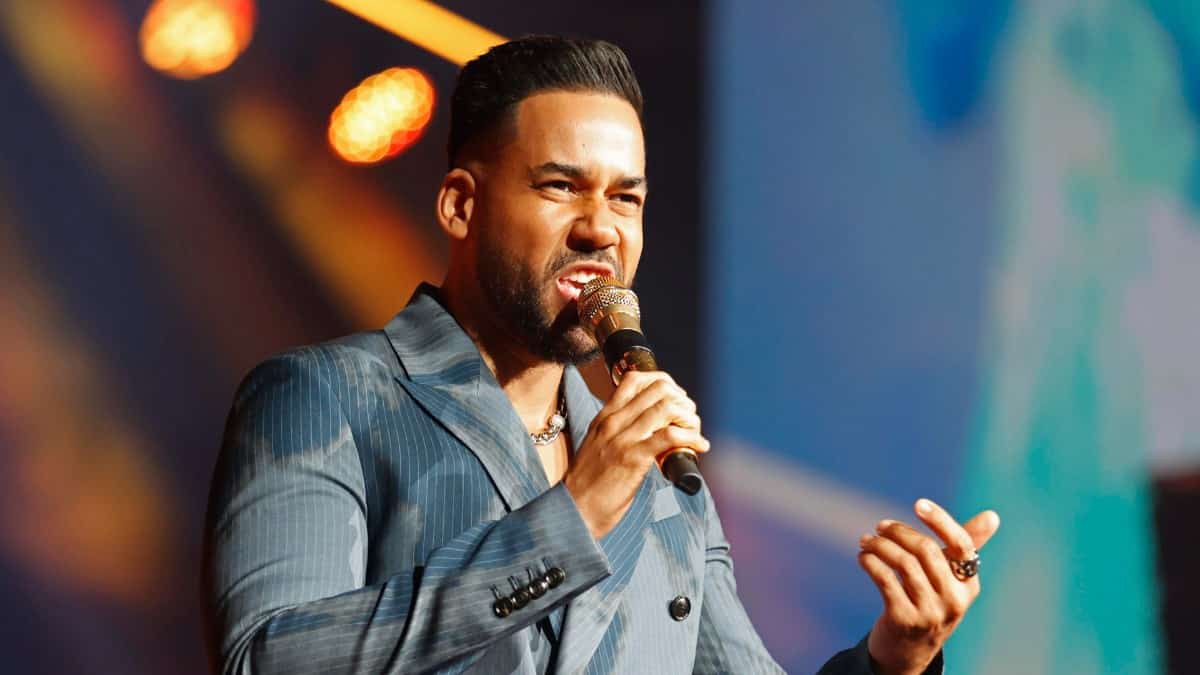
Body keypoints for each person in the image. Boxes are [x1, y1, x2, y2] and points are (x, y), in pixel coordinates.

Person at [202, 35, 1000, 674]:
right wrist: (572, 518)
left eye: (626, 197)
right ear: (459, 204)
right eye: (560, 186)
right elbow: (267, 657)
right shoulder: (326, 395)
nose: (600, 227)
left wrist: (894, 658)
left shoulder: (663, 476)